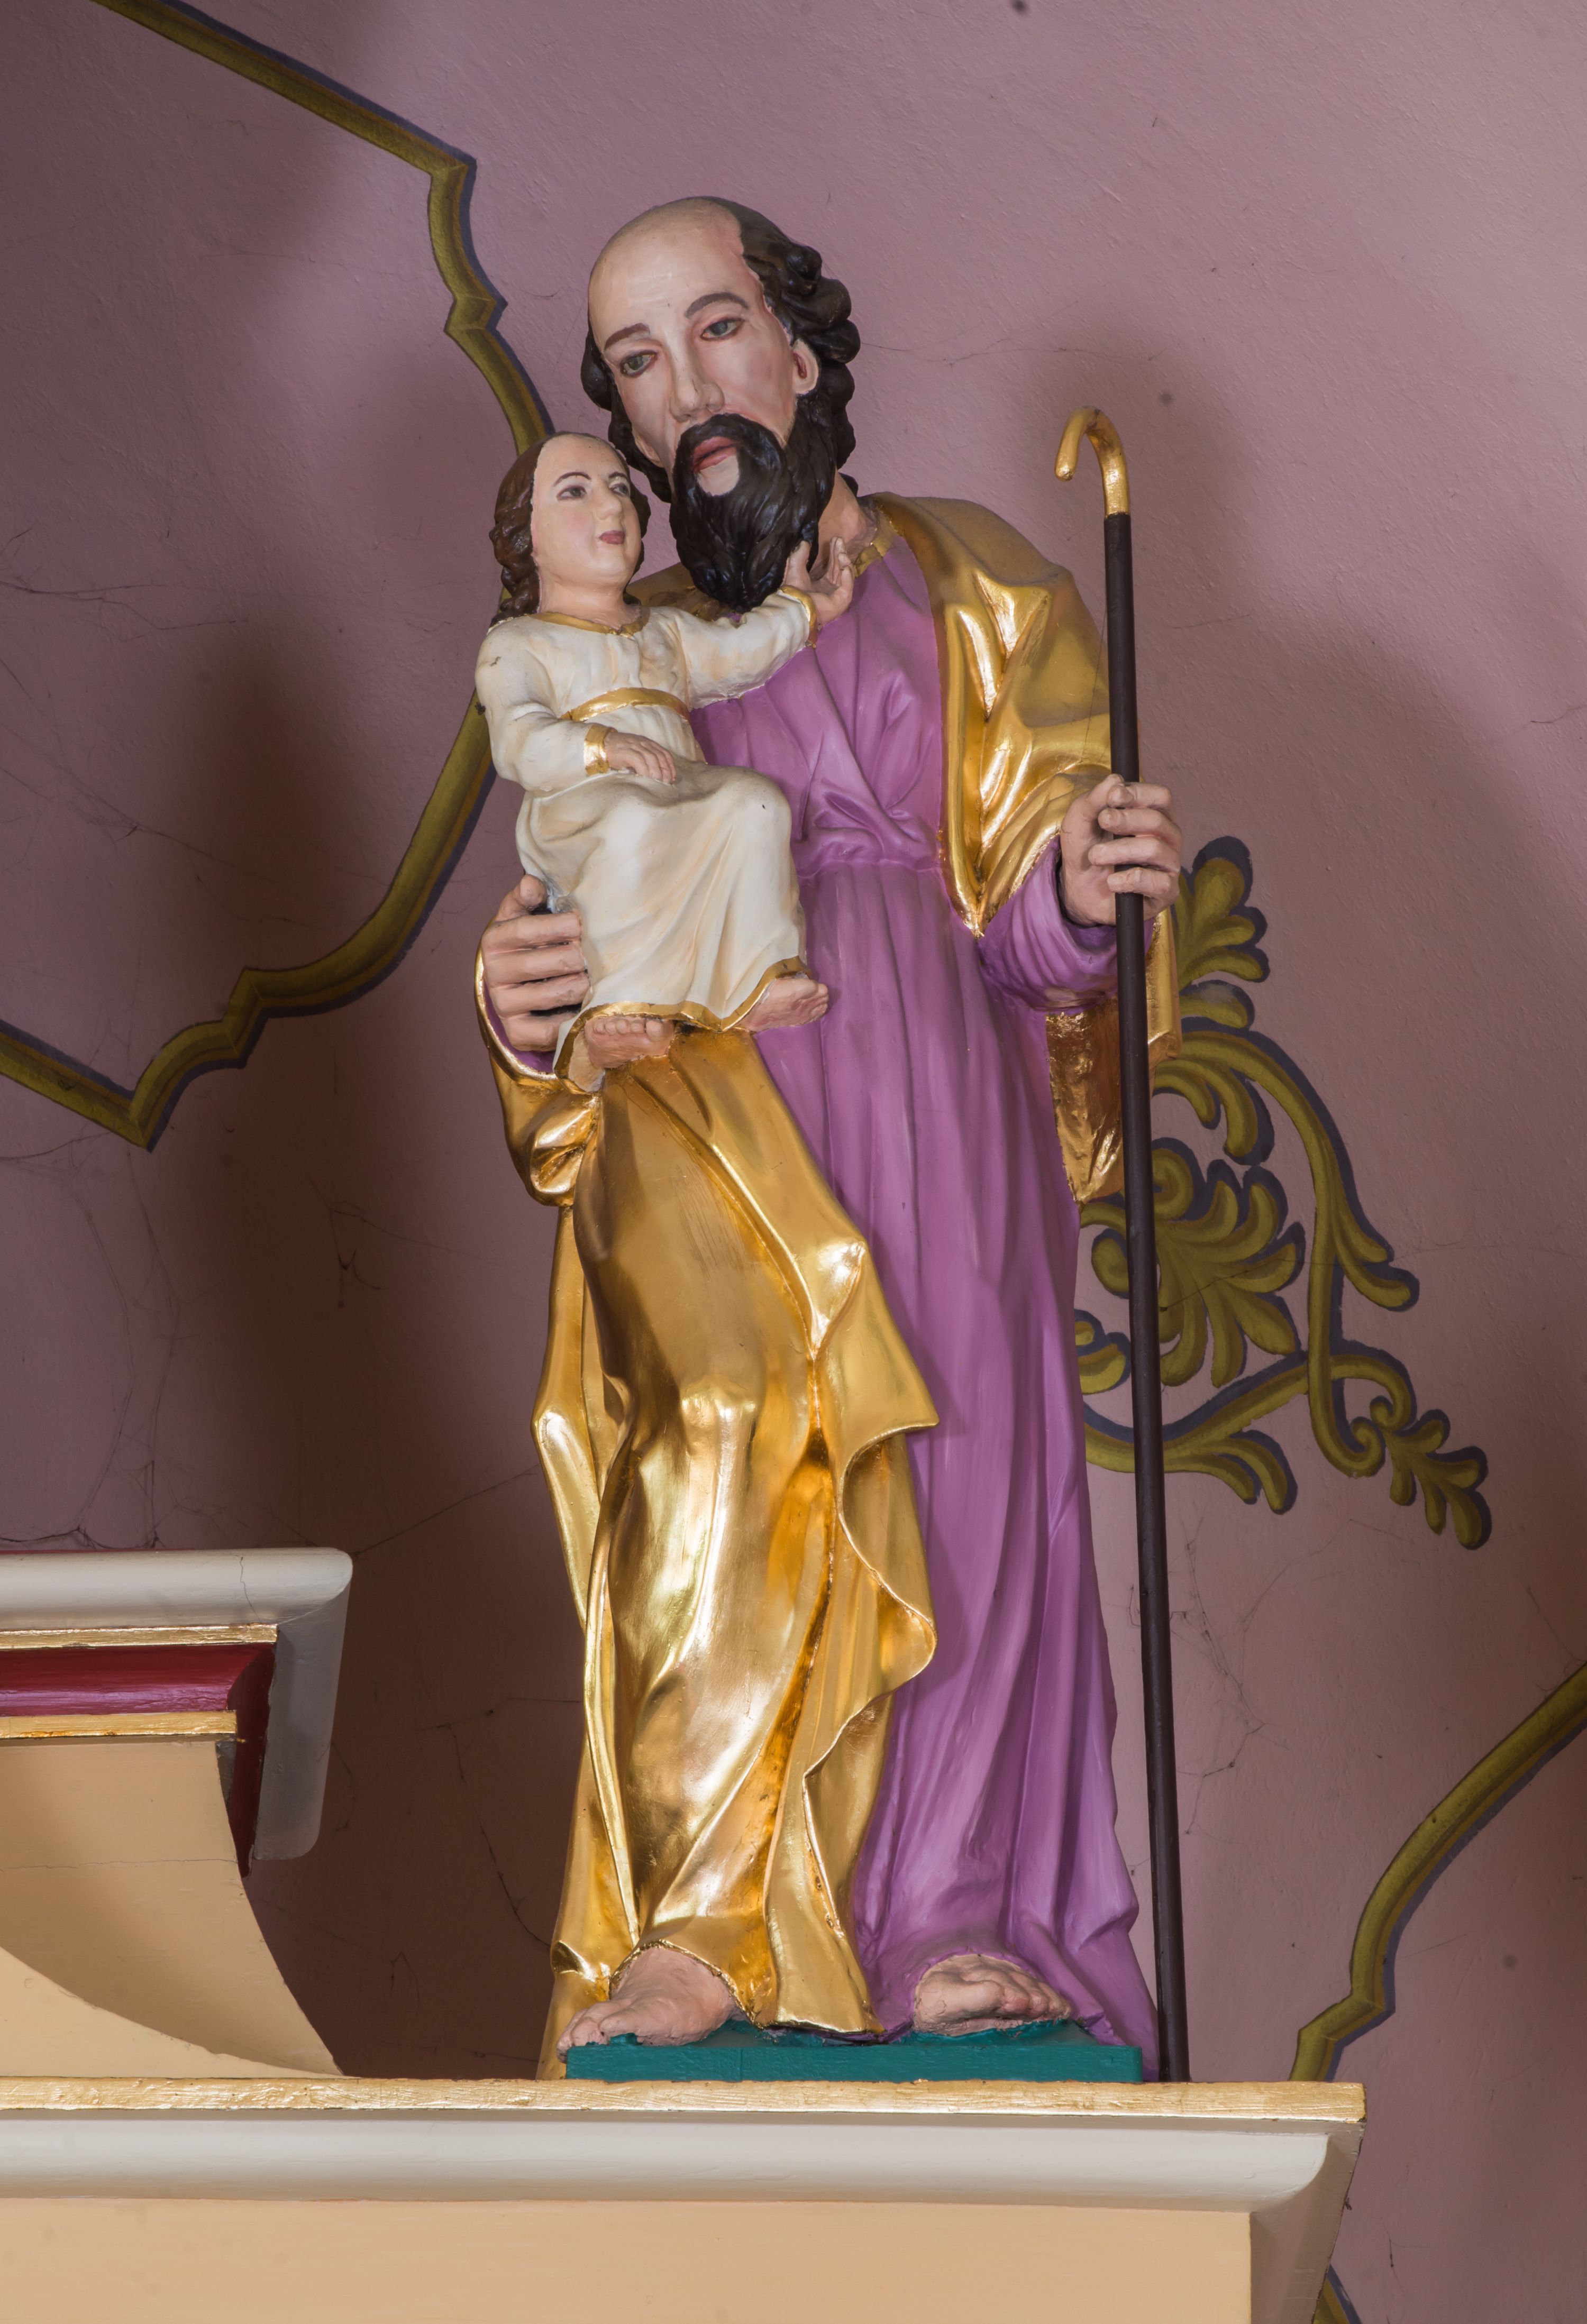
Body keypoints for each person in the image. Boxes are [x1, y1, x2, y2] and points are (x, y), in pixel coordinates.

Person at [479, 199, 1184, 2072]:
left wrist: (1082, 890)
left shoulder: (974, 585)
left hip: (928, 1063)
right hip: (706, 1096)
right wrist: (519, 1003)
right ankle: (705, 1919)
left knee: (956, 1465)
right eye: (640, 363)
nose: (688, 389)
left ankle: (951, 1906)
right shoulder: (612, 642)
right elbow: (560, 915)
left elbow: (1034, 909)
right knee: (712, 1471)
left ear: (798, 348)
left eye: (717, 331)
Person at [477, 431, 855, 1077]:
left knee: (754, 803)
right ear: (526, 537)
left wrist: (803, 610)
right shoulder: (520, 644)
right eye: (575, 492)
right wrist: (602, 746)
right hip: (584, 806)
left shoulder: (665, 630)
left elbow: (738, 653)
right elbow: (518, 739)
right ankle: (619, 1000)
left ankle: (757, 977)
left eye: (619, 489)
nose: (611, 506)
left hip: (675, 785)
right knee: (633, 823)